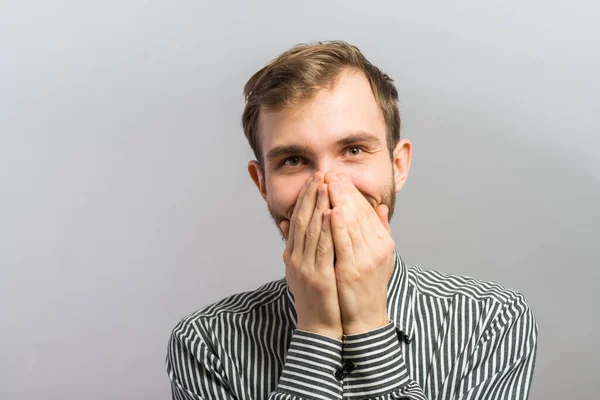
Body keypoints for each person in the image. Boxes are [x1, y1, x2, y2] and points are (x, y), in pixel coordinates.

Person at [166, 40, 538, 400]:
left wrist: (368, 327)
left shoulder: (491, 321)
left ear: (398, 166)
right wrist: (317, 329)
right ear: (262, 183)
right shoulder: (205, 343)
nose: (328, 187)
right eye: (293, 160)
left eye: (354, 150)